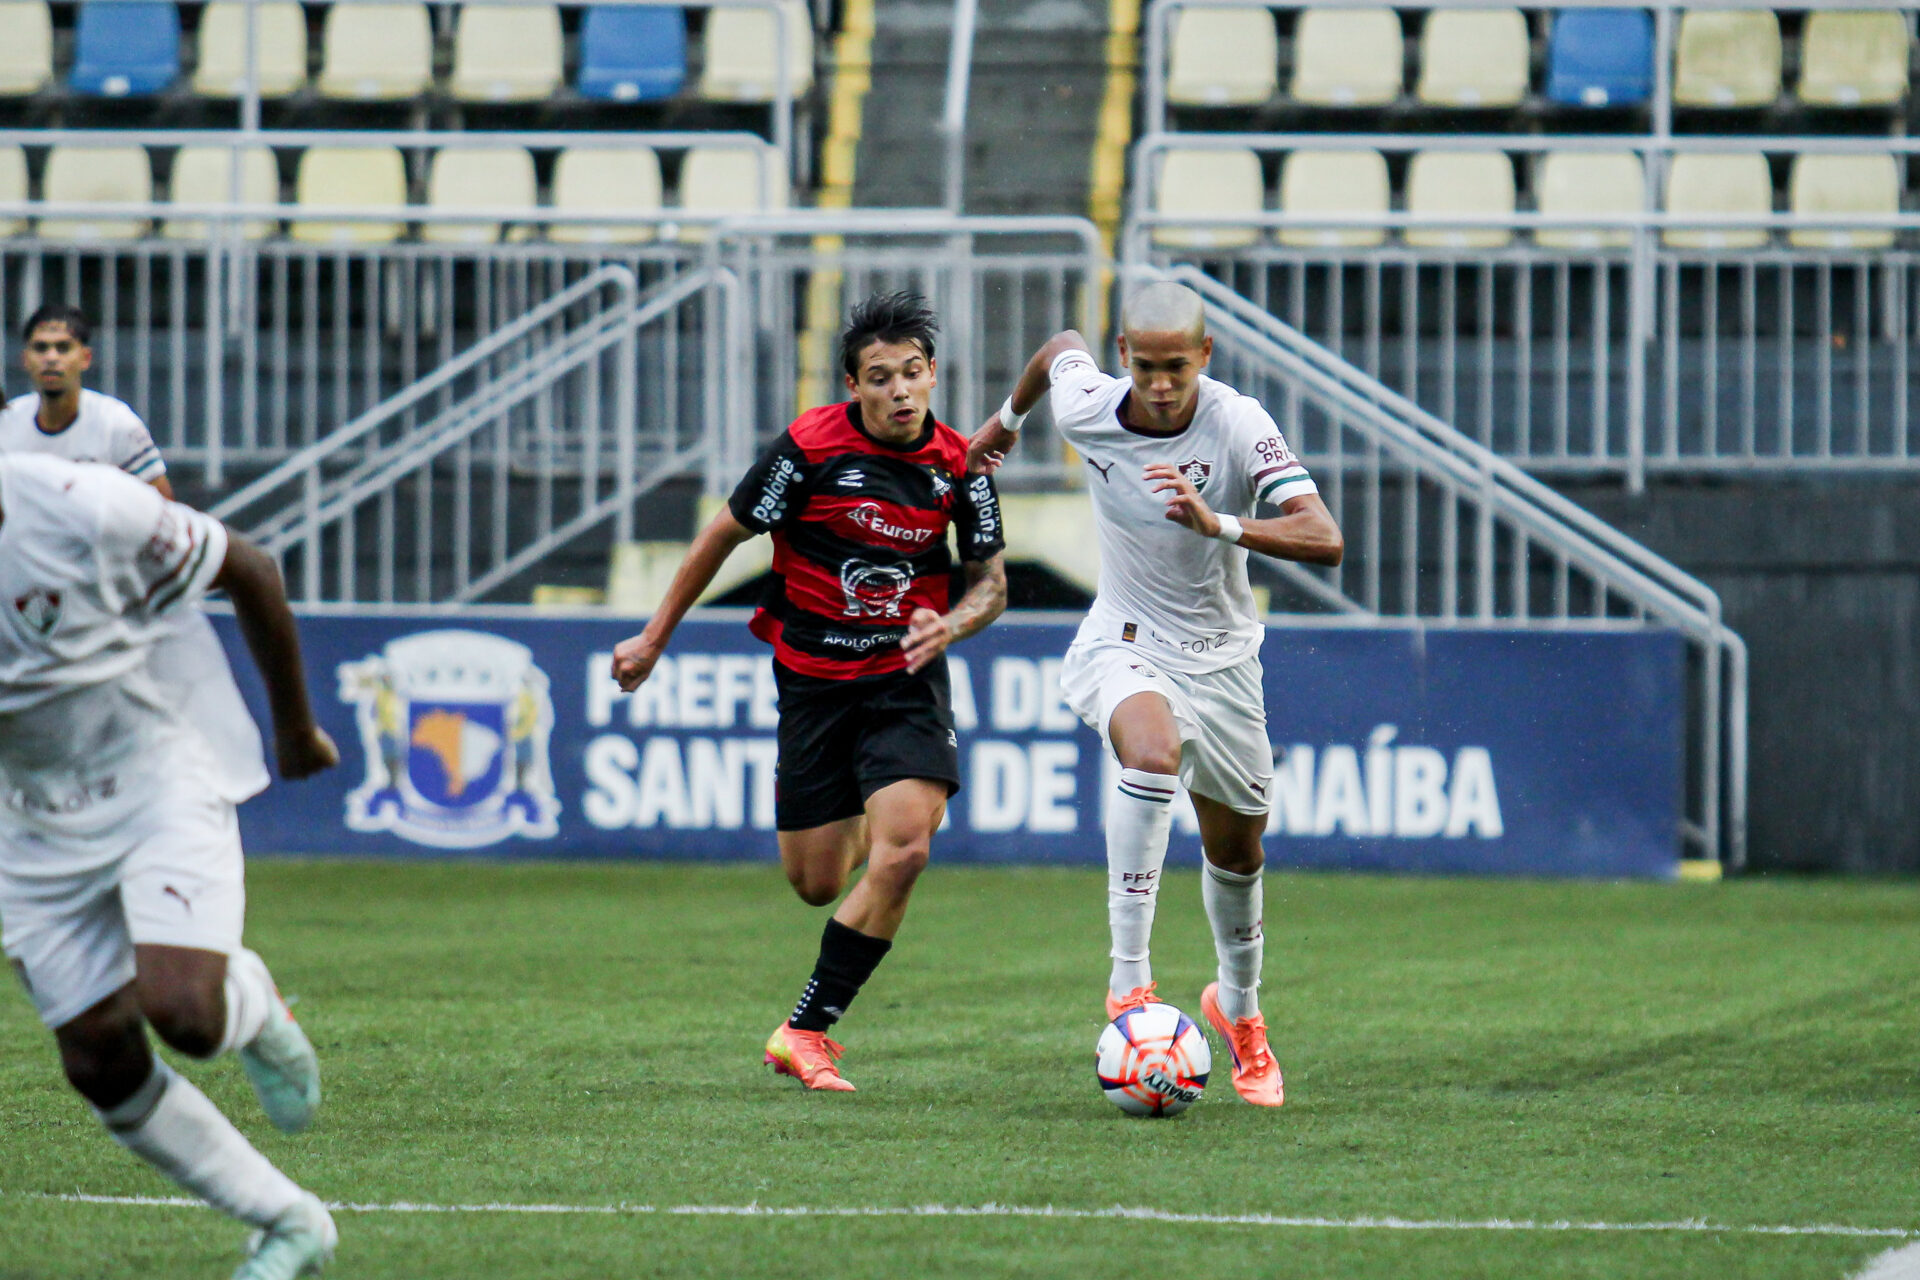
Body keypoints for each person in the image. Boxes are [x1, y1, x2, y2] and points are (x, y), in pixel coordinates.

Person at [612, 291, 1008, 1093]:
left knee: (905, 852)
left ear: (933, 374)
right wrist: (654, 637)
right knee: (817, 882)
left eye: (911, 373)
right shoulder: (807, 449)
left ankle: (806, 1031)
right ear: (852, 387)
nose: (898, 390)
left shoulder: (961, 467)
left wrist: (953, 627)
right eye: (878, 377)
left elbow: (991, 585)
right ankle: (875, 800)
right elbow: (724, 533)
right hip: (813, 683)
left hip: (905, 677)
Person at [967, 281, 1343, 1108]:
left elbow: (1326, 537)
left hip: (1225, 664)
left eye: (1178, 366)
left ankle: (1238, 1012)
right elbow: (1060, 345)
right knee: (1150, 753)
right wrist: (1005, 423)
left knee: (1238, 856)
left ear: (1204, 357)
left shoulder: (1239, 423)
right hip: (1125, 641)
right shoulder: (1092, 407)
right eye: (1145, 366)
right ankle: (1128, 982)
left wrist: (1224, 525)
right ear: (1126, 358)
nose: (1162, 383)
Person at [0, 452, 341, 1277]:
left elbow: (250, 568)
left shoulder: (80, 506)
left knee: (184, 1013)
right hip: (30, 823)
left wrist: (295, 731)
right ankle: (291, 1222)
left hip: (155, 776)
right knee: (96, 1058)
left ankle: (250, 1000)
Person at [0, 304, 271, 811]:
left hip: (122, 606)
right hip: (38, 605)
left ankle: (203, 800)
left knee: (181, 729)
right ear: (25, 359)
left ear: (86, 357)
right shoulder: (8, 427)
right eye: (41, 347)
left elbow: (160, 513)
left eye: (62, 347)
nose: (51, 358)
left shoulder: (114, 427)